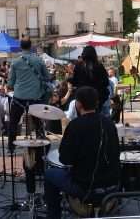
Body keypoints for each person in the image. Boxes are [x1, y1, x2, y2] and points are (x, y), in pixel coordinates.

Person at [44, 87, 120, 219]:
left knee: (50, 174)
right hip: (112, 186)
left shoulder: (75, 125)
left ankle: (53, 216)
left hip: (85, 188)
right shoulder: (109, 123)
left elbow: (65, 159)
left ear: (78, 104)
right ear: (96, 103)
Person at [7, 38, 49, 150]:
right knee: (38, 124)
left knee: (13, 123)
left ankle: (11, 147)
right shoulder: (39, 60)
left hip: (19, 98)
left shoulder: (15, 62)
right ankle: (42, 147)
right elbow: (47, 77)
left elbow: (10, 83)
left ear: (21, 47)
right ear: (31, 47)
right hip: (35, 98)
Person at [71, 46, 111, 117]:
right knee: (96, 120)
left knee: (82, 120)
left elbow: (74, 81)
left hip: (81, 98)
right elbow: (106, 82)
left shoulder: (78, 66)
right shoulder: (99, 66)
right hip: (95, 98)